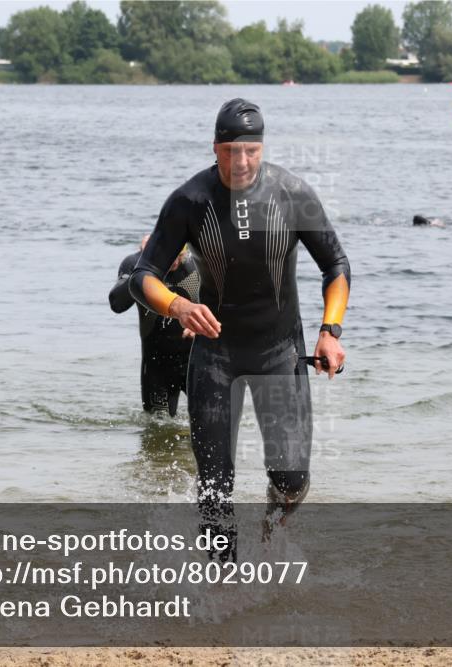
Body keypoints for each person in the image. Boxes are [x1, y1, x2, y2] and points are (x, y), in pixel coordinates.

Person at [129, 98, 350, 557]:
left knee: (291, 479)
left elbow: (336, 266)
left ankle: (274, 522)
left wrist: (331, 330)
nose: (242, 161)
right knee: (214, 486)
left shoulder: (293, 194)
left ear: (262, 148)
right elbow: (142, 276)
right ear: (216, 149)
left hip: (279, 351)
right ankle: (223, 589)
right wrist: (177, 307)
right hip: (215, 354)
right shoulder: (190, 201)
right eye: (232, 151)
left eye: (251, 150)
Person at [110, 235, 199, 417]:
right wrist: (143, 267)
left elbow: (224, 302)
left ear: (184, 253)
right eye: (167, 256)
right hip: (156, 365)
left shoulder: (194, 266)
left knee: (211, 419)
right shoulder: (135, 264)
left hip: (196, 360)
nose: (172, 262)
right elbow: (117, 304)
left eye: (177, 256)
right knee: (158, 428)